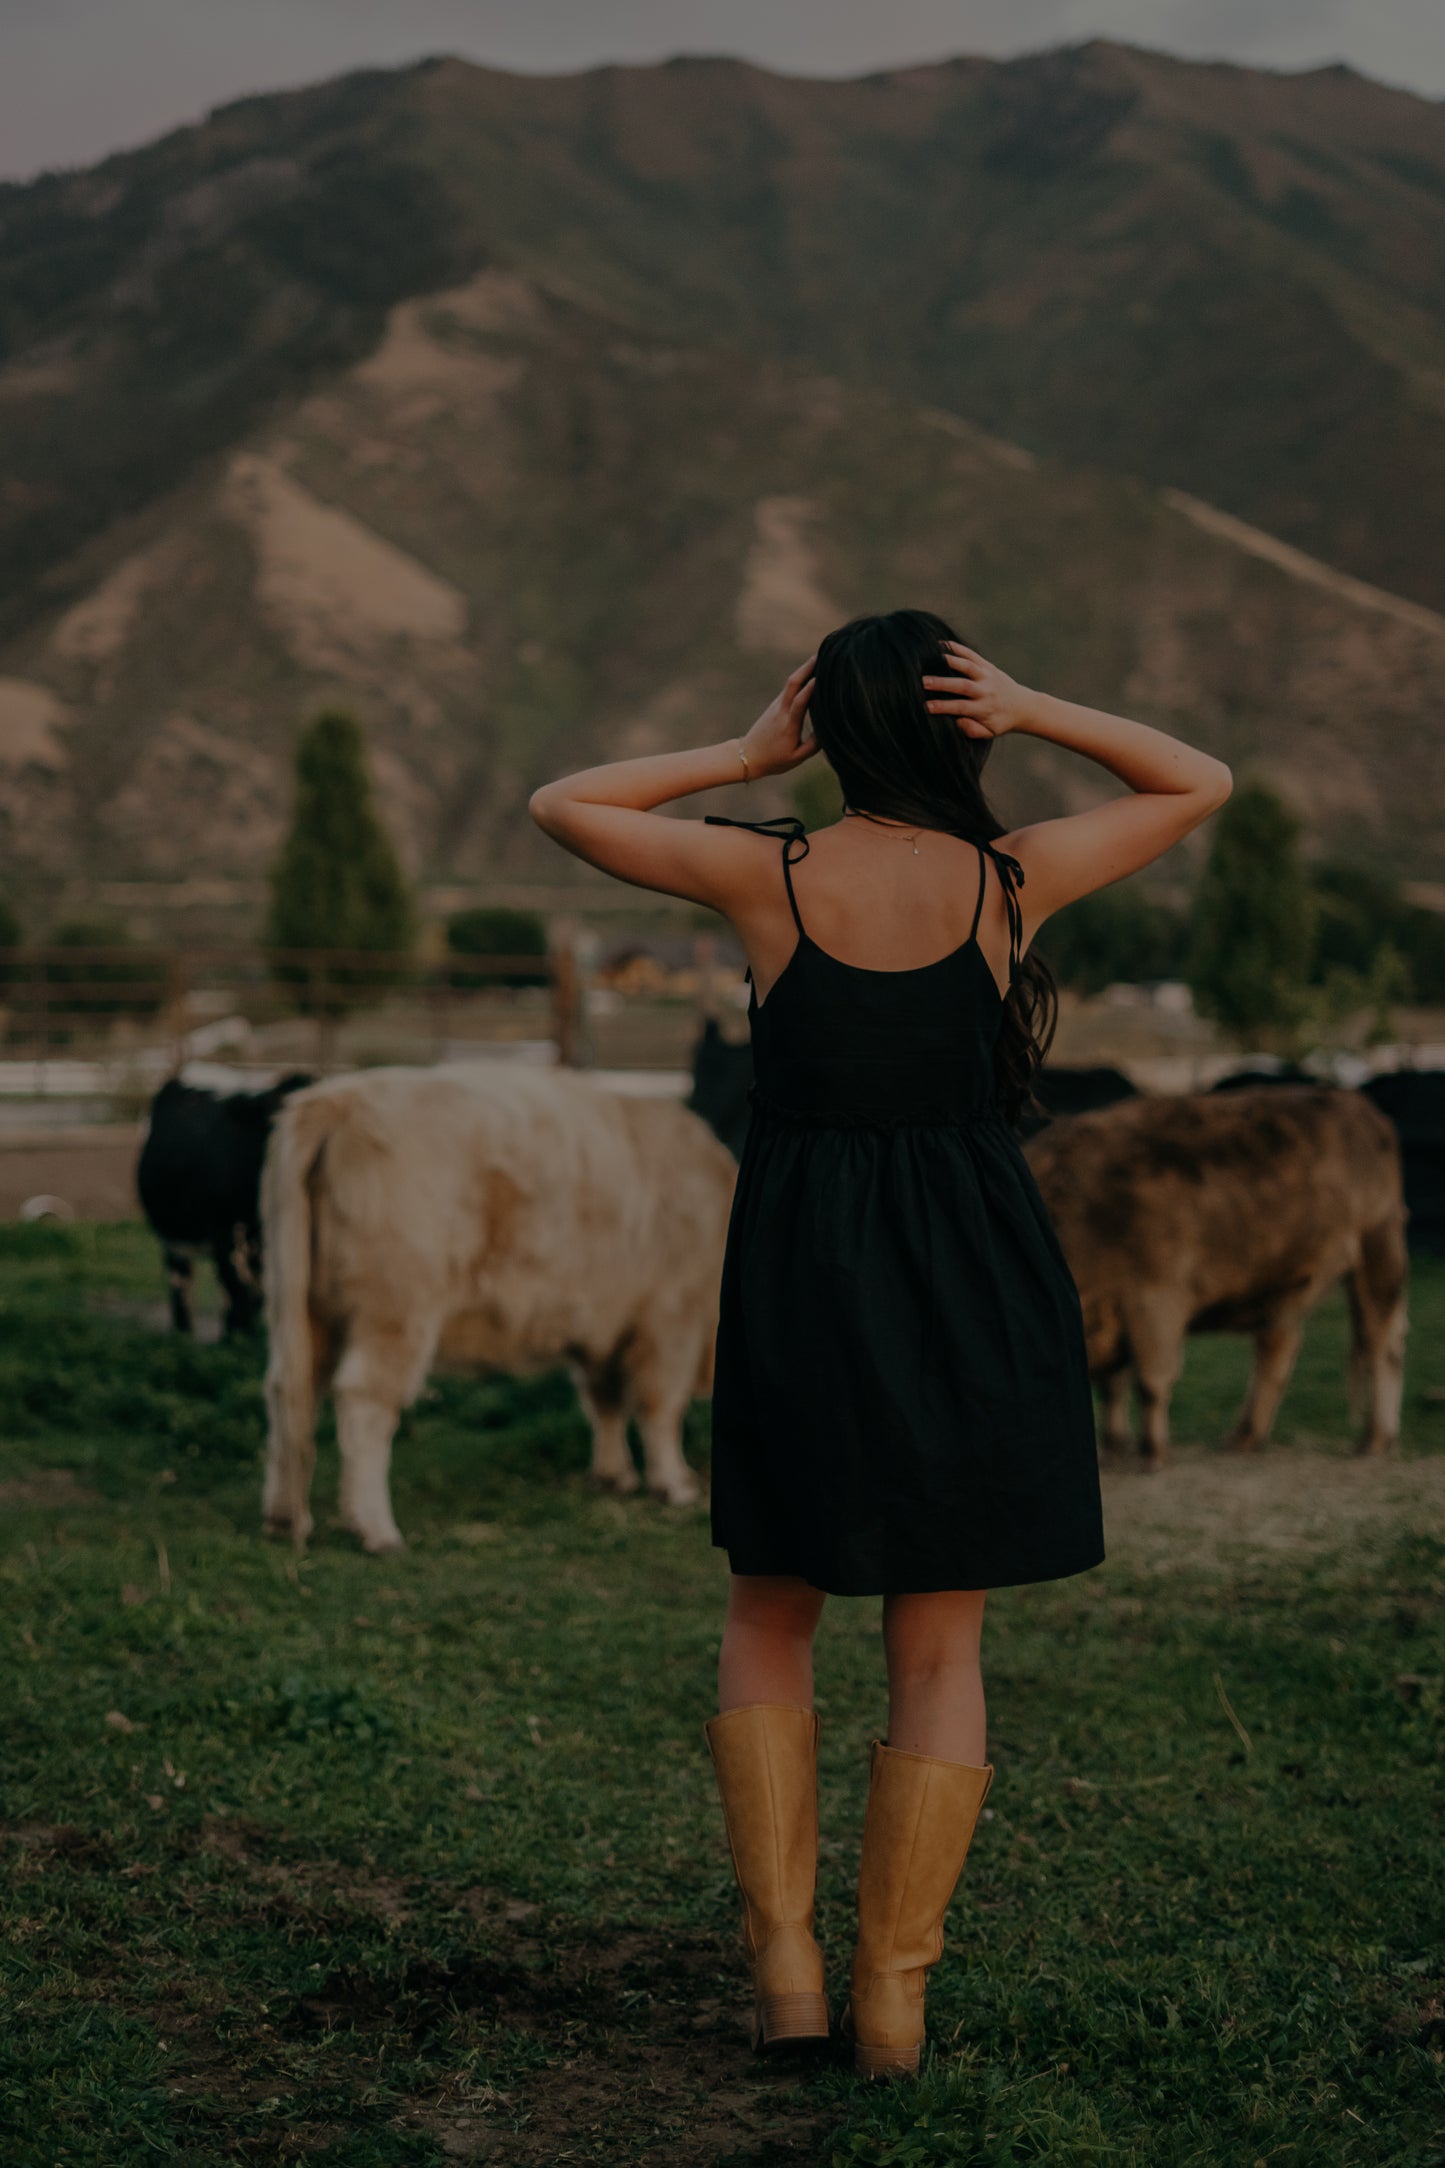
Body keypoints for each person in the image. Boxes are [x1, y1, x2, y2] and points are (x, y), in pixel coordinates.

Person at [530, 610, 1232, 2077]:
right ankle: (894, 2000)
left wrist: (740, 753)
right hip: (977, 1279)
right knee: (937, 1637)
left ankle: (786, 1971)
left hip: (803, 1278)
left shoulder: (762, 875)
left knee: (770, 1611)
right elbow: (1196, 782)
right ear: (956, 729)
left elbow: (563, 805)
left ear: (826, 730)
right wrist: (1035, 706)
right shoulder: (1008, 880)